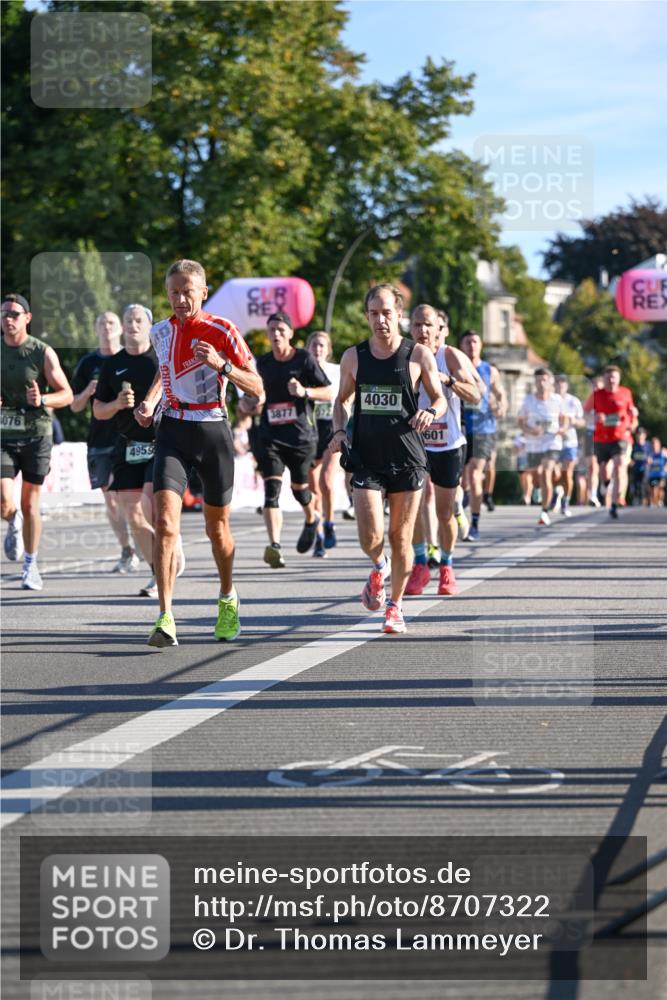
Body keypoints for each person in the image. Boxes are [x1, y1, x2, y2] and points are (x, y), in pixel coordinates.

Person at [135, 259, 263, 647]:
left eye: (187, 292)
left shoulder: (223, 330)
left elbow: (257, 386)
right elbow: (165, 370)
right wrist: (148, 402)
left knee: (216, 529)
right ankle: (165, 616)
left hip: (212, 430)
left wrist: (222, 365)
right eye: (173, 292)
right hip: (173, 428)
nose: (179, 299)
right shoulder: (160, 332)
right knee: (166, 523)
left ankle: (227, 596)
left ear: (203, 292)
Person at [329, 284, 446, 634]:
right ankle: (378, 567)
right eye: (374, 314)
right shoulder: (354, 357)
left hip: (408, 458)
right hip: (366, 456)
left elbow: (439, 398)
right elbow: (341, 402)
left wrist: (430, 412)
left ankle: (394, 606)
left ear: (399, 315)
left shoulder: (418, 355)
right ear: (367, 316)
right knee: (370, 534)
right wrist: (338, 431)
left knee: (401, 536)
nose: (380, 320)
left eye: (387, 313)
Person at [94, 305, 171, 598]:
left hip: (161, 441)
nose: (133, 325)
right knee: (134, 517)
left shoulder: (160, 358)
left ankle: (169, 549)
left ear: (150, 326)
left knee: (152, 510)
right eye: (128, 320)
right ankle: (157, 568)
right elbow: (98, 411)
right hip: (127, 445)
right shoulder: (113, 363)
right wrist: (116, 404)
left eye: (139, 320)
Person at [404, 304, 480, 597]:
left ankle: (447, 565)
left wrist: (448, 381)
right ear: (409, 329)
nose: (422, 330)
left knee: (444, 511)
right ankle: (421, 565)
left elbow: (475, 394)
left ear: (438, 329)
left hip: (448, 444)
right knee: (412, 505)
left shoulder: (449, 356)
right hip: (415, 443)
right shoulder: (405, 356)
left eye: (427, 325)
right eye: (416, 325)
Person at [1, 293, 73, 590]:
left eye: (14, 314)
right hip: (4, 434)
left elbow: (67, 394)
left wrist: (42, 398)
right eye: (4, 314)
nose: (8, 319)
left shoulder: (42, 352)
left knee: (31, 504)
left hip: (36, 434)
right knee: (5, 501)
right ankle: (12, 519)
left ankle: (31, 566)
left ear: (27, 318)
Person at [252, 312, 332, 568]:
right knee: (272, 491)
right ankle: (274, 546)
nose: (275, 333)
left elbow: (329, 391)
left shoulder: (304, 359)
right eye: (271, 329)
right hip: (271, 436)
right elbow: (253, 398)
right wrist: (249, 403)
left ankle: (312, 519)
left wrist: (305, 391)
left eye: (280, 329)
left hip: (300, 437)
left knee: (300, 491)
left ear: (290, 333)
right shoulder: (262, 363)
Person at [71, 310, 139, 573]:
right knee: (111, 499)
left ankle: (144, 541)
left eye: (110, 322)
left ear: (120, 328)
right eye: (101, 322)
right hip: (99, 438)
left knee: (128, 497)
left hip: (128, 435)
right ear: (96, 328)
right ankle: (127, 550)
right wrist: (89, 391)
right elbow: (75, 406)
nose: (106, 327)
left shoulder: (131, 358)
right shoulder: (88, 363)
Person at [459, 330, 507, 541]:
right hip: (459, 429)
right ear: (461, 346)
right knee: (459, 479)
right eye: (467, 342)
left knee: (475, 472)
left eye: (475, 341)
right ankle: (464, 504)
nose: (472, 345)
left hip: (483, 430)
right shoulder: (455, 366)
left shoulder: (489, 370)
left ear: (481, 345)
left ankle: (475, 524)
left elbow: (500, 394)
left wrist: (502, 406)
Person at [583, 365, 638, 520]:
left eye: (614, 377)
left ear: (619, 379)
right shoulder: (596, 395)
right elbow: (585, 413)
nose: (612, 380)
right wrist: (594, 418)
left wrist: (633, 420)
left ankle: (614, 504)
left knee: (620, 465)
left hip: (620, 437)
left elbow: (631, 412)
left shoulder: (626, 393)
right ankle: (605, 483)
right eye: (609, 377)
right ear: (605, 379)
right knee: (604, 472)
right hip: (601, 438)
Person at [518, 368, 568, 526]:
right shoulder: (528, 400)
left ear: (551, 381)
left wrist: (561, 429)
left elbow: (565, 421)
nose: (542, 383)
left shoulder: (557, 400)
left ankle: (544, 511)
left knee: (546, 473)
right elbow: (521, 422)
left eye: (545, 379)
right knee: (536, 477)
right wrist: (530, 430)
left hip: (552, 442)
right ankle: (552, 493)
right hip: (534, 444)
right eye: (539, 379)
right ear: (535, 382)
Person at [306, 330, 341, 557]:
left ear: (327, 350)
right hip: (309, 432)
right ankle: (318, 536)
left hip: (331, 430)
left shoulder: (336, 371)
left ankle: (329, 523)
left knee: (327, 482)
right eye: (314, 345)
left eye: (321, 345)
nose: (318, 349)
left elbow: (340, 396)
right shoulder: (302, 372)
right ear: (309, 349)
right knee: (314, 489)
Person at [551, 373, 585, 517]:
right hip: (553, 442)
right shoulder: (550, 400)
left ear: (566, 385)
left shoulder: (574, 401)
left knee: (567, 474)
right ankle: (556, 491)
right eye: (558, 383)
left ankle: (565, 501)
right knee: (553, 472)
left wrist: (573, 421)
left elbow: (582, 421)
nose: (560, 386)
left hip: (570, 442)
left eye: (563, 383)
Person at [629, 428, 650, 505]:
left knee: (644, 483)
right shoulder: (634, 445)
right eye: (638, 434)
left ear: (645, 435)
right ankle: (636, 499)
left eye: (642, 434)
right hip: (635, 469)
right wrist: (630, 462)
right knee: (635, 484)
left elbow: (652, 455)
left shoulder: (648, 445)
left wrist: (650, 459)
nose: (640, 435)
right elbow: (630, 457)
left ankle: (645, 500)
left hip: (645, 468)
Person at [647, 436, 666, 507]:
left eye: (656, 444)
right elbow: (647, 462)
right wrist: (648, 462)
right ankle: (653, 502)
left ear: (659, 444)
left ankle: (660, 501)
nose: (655, 445)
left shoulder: (663, 452)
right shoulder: (650, 454)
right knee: (654, 488)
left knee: (661, 487)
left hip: (661, 475)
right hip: (653, 475)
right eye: (653, 444)